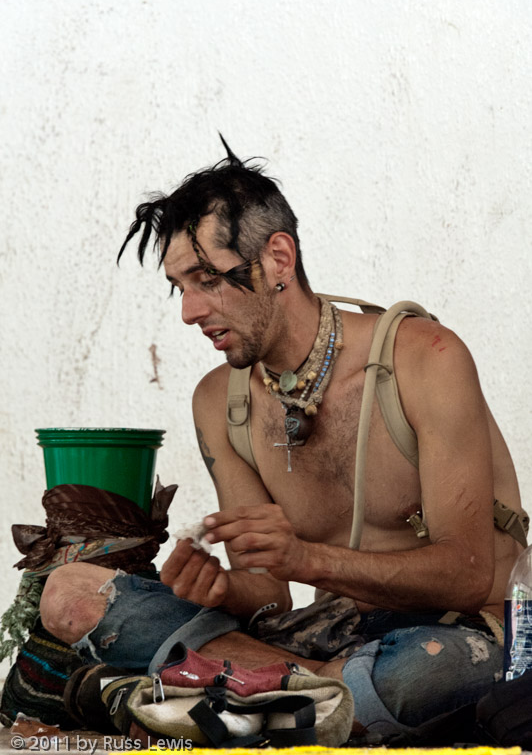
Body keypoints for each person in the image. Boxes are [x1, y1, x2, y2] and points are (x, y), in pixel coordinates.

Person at [41, 142, 526, 738]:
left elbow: (469, 575)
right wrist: (223, 589)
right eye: (179, 287)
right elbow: (270, 597)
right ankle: (311, 694)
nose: (189, 311)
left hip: (452, 634)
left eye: (207, 280)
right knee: (69, 593)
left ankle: (202, 693)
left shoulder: (425, 357)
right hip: (325, 640)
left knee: (424, 674)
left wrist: (305, 559)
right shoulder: (220, 400)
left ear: (277, 259)